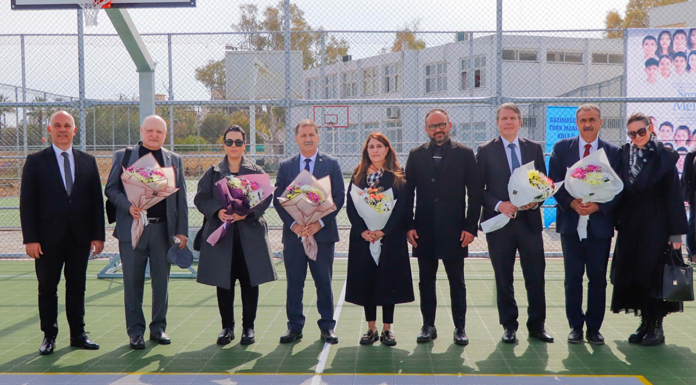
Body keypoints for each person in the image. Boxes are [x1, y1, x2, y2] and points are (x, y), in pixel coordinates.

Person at [20, 111, 104, 355]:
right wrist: (31, 239)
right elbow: (27, 203)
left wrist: (98, 235)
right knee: (47, 287)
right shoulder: (35, 161)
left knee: (77, 287)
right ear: (49, 130)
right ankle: (49, 335)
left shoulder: (88, 161)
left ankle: (78, 334)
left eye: (67, 125)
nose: (62, 129)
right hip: (46, 240)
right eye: (57, 125)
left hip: (79, 238)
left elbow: (96, 201)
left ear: (74, 130)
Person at [105, 115, 188, 349]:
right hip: (132, 229)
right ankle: (135, 331)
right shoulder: (125, 156)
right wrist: (128, 206)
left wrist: (182, 231)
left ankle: (158, 329)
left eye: (159, 132)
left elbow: (180, 198)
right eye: (150, 130)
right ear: (142, 130)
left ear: (165, 133)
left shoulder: (174, 159)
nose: (154, 135)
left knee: (161, 282)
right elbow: (111, 188)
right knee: (132, 282)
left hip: (163, 230)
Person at [404, 108, 483, 346]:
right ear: (426, 129)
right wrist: (409, 225)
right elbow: (407, 194)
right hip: (424, 230)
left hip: (455, 230)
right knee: (426, 281)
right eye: (432, 126)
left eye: (441, 125)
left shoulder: (466, 154)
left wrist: (471, 227)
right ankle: (428, 326)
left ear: (449, 125)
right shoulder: (416, 155)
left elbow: (475, 193)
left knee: (456, 280)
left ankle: (460, 328)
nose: (438, 130)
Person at [476, 102, 553, 344]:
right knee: (503, 276)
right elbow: (478, 189)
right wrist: (500, 205)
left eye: (512, 118)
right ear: (497, 123)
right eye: (504, 118)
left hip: (529, 223)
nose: (508, 122)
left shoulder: (534, 148)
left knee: (535, 275)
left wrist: (535, 202)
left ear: (520, 122)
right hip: (500, 224)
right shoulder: (485, 150)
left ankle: (537, 326)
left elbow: (544, 183)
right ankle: (509, 325)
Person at [194, 126, 277, 346]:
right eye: (229, 142)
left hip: (249, 237)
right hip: (223, 237)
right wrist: (217, 211)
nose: (234, 146)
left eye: (238, 142)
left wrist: (247, 213)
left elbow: (265, 199)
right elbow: (201, 198)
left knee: (250, 282)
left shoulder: (256, 171)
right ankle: (227, 328)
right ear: (223, 144)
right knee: (225, 282)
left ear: (244, 145)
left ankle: (248, 328)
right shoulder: (212, 172)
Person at [611, 112, 687, 346]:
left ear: (650, 128)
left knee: (653, 274)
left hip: (657, 226)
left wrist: (676, 233)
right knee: (634, 275)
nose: (637, 137)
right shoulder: (624, 154)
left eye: (641, 131)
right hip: (631, 225)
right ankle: (645, 322)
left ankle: (657, 326)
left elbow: (674, 196)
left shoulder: (664, 156)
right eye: (632, 133)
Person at [548, 104, 620, 345]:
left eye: (592, 119)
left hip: (599, 226)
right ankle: (575, 327)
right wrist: (571, 203)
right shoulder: (561, 148)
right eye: (583, 120)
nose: (587, 124)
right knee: (573, 277)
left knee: (598, 278)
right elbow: (554, 183)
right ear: (576, 124)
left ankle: (594, 328)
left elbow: (620, 190)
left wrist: (599, 206)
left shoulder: (614, 152)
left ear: (600, 122)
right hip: (571, 224)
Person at [273, 119, 345, 344]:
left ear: (318, 136)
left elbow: (339, 197)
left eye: (311, 135)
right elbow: (278, 200)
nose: (307, 139)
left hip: (322, 236)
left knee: (323, 281)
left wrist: (318, 224)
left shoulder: (331, 164)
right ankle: (295, 326)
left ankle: (327, 326)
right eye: (303, 135)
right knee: (295, 282)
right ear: (296, 139)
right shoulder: (286, 166)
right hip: (294, 236)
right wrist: (294, 225)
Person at [345, 132, 414, 346]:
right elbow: (351, 206)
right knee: (367, 282)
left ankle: (387, 329)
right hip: (363, 239)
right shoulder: (358, 174)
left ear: (387, 149)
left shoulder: (397, 175)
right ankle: (371, 328)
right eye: (371, 147)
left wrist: (383, 231)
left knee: (388, 282)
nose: (374, 150)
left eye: (379, 146)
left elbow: (402, 207)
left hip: (390, 238)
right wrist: (363, 230)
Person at [681, 147, 696, 260]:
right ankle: (693, 254)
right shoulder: (691, 155)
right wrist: (690, 196)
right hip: (695, 197)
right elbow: (686, 177)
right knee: (693, 225)